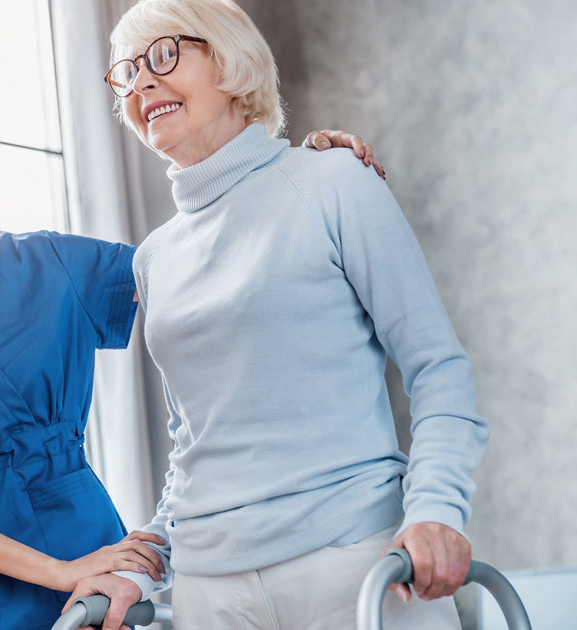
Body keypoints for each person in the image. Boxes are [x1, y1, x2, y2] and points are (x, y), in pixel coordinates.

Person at [0, 59, 379, 630]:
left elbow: (223, 269)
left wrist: (301, 175)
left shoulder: (58, 265)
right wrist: (57, 571)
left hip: (89, 569)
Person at [64, 1, 488, 628]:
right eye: (125, 73)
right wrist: (140, 562)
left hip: (357, 566)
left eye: (163, 55)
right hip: (212, 590)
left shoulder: (334, 183)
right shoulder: (153, 259)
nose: (142, 81)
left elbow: (438, 368)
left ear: (231, 60)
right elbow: (196, 447)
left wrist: (436, 510)